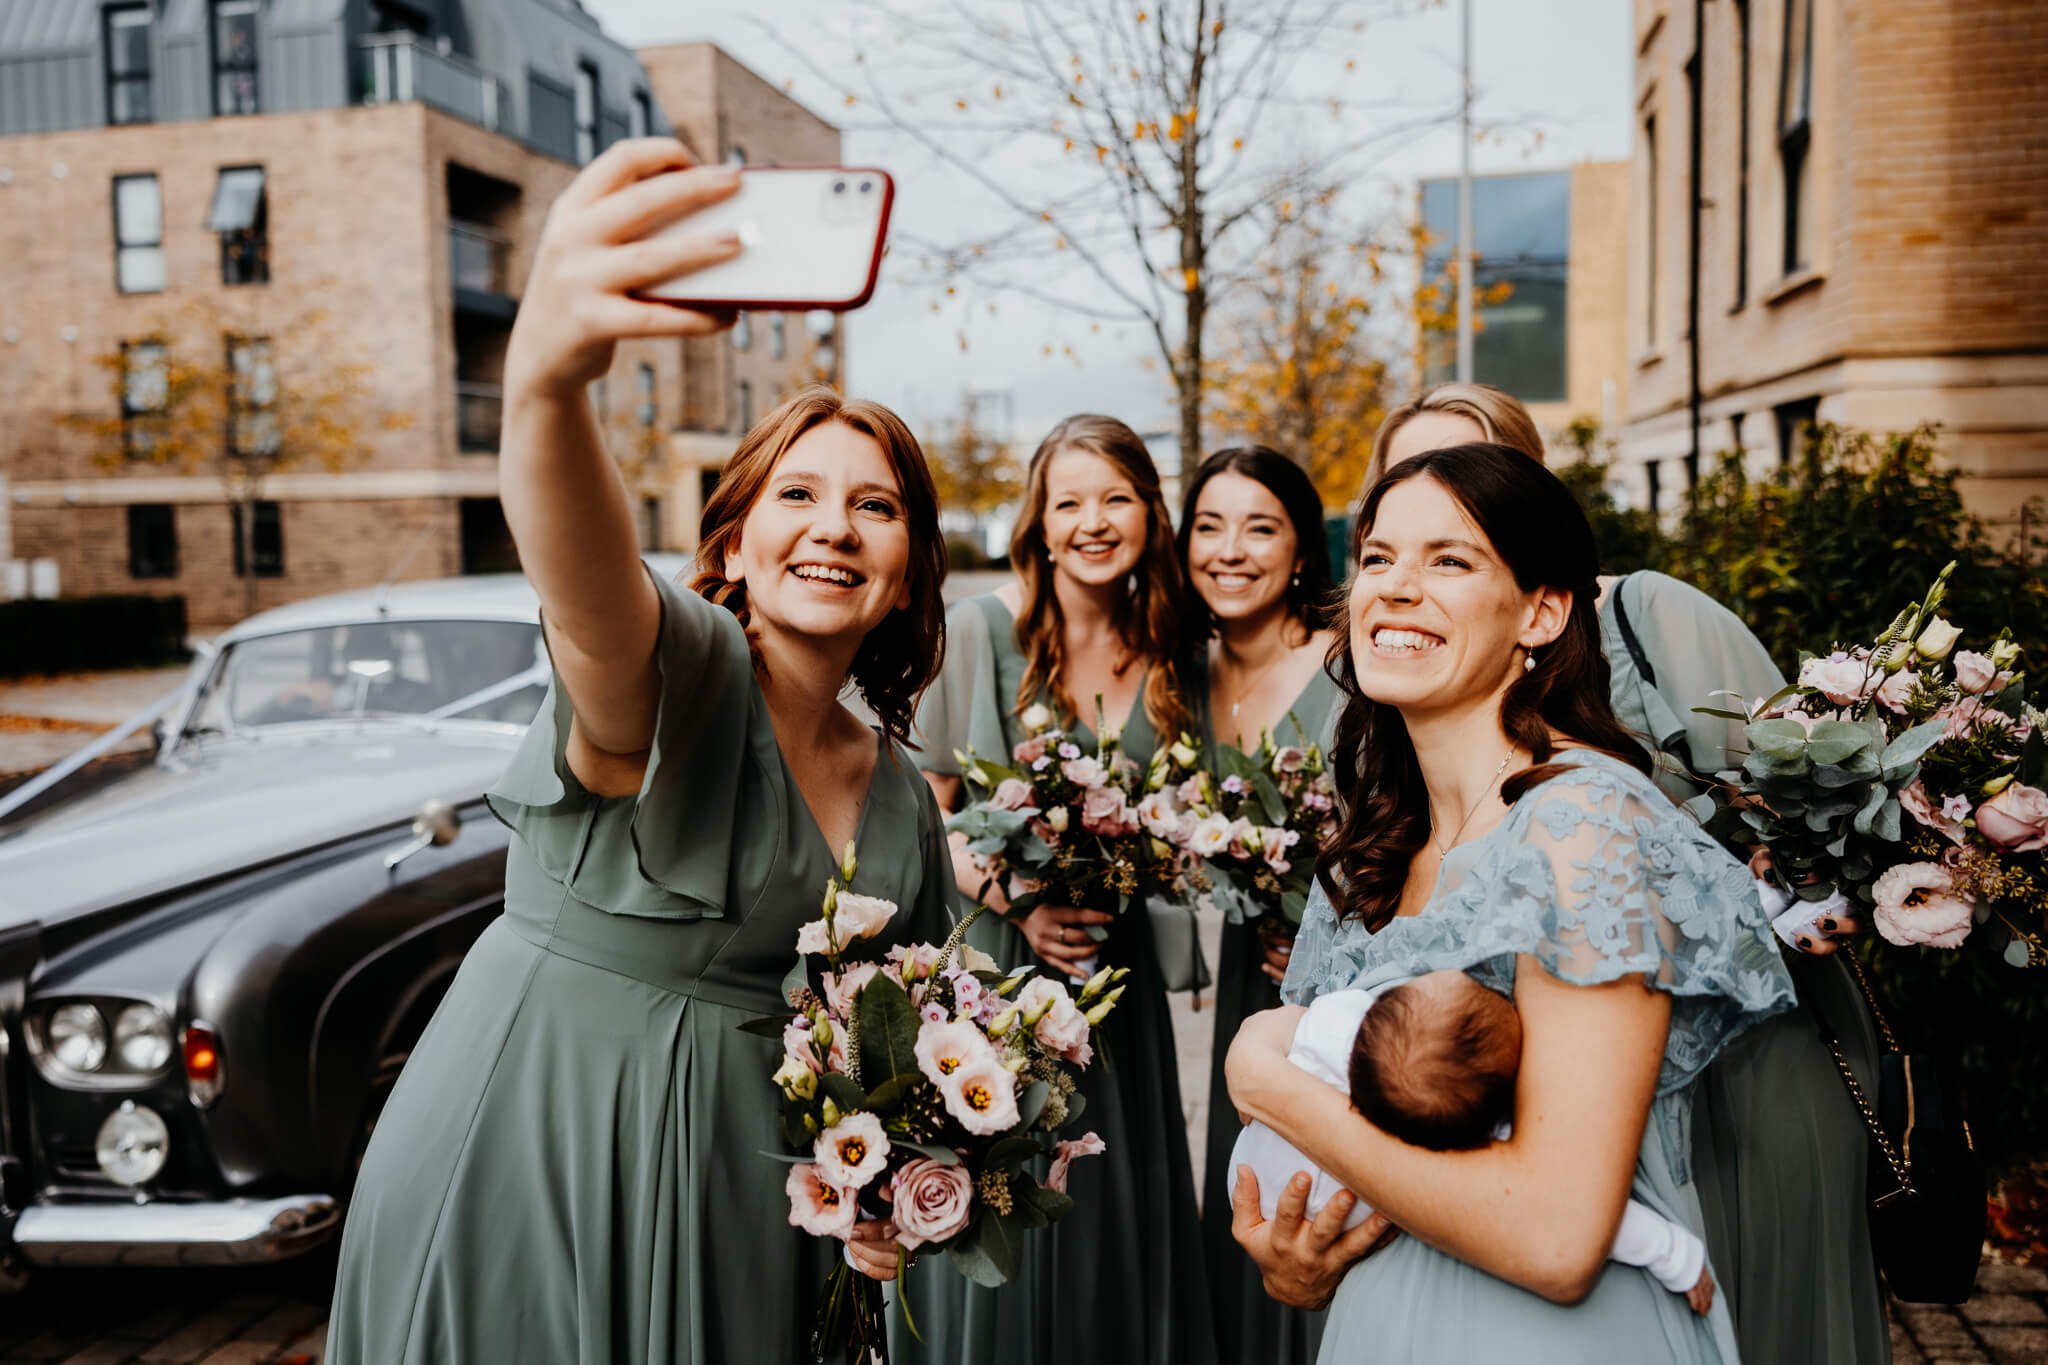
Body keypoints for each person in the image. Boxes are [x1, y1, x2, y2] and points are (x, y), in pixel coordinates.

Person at [326, 140, 956, 1364]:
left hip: (746, 1220)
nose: (834, 526)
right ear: (733, 540)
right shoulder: (688, 676)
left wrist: (890, 1196)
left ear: (906, 573)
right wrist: (547, 387)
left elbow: (895, 1062)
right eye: (796, 496)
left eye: (874, 506)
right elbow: (587, 590)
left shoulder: (899, 798)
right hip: (536, 1165)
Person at [1358, 382, 1891, 1364]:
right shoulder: (1410, 679)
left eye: (1471, 481)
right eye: (1404, 493)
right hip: (1546, 1077)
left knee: (1751, 1306)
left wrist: (1774, 871)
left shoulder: (1647, 618)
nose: (1440, 502)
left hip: (1738, 1066)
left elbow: (1811, 800)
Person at [1227, 442, 1795, 1360]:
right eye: (1378, 558)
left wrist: (1269, 1084)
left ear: (1542, 610)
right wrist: (1300, 1264)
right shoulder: (1378, 846)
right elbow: (1349, 1151)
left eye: (1449, 560)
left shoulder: (1583, 828)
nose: (1397, 588)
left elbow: (1561, 1238)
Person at [903, 415, 1216, 1365]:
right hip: (1000, 982)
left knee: (1114, 1211)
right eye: (1069, 500)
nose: (1092, 520)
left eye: (1116, 497)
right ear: (1036, 520)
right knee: (1008, 1215)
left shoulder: (1171, 649)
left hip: (1113, 989)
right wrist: (1020, 903)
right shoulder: (980, 631)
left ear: (1149, 516)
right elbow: (922, 813)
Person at [1227, 971, 1716, 1315]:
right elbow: (1598, 1216)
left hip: (1259, 1177)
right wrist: (1673, 1252)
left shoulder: (1340, 1023)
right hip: (1330, 1216)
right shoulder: (1476, 1137)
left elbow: (1278, 1027)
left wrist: (1253, 1051)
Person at [1175, 446, 1339, 1365]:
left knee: (1320, 1218)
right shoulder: (1184, 677)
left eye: (1260, 526)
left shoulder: (1348, 669)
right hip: (1251, 978)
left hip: (1339, 989)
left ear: (1302, 551)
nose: (1230, 549)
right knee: (1247, 1208)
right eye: (1209, 524)